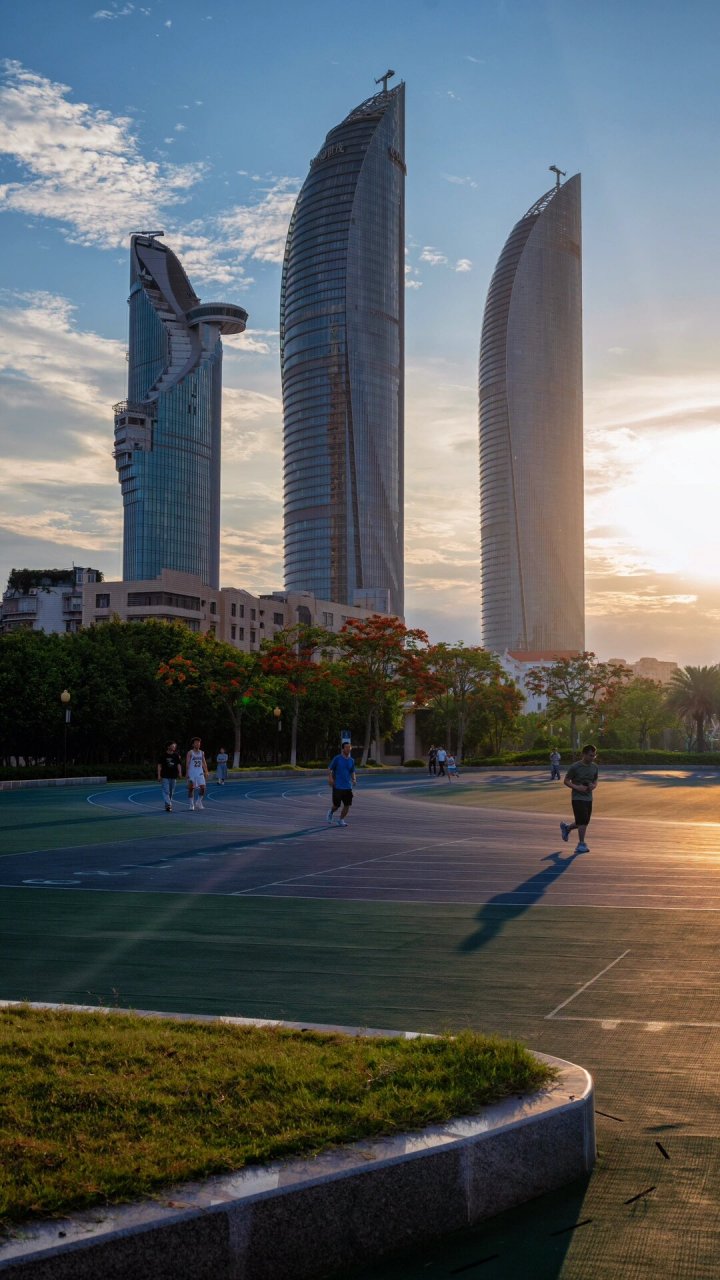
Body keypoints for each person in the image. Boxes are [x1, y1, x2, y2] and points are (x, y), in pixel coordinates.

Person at [560, 744, 598, 853]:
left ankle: (567, 828)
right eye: (590, 755)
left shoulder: (595, 767)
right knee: (583, 821)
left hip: (589, 798)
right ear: (584, 754)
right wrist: (578, 787)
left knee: (584, 821)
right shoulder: (575, 767)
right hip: (577, 798)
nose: (592, 758)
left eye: (594, 756)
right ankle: (581, 844)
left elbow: (595, 780)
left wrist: (593, 786)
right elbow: (566, 781)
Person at [326, 740, 357, 827]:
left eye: (349, 747)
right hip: (337, 786)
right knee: (336, 805)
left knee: (347, 805)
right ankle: (331, 812)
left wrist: (354, 779)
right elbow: (330, 769)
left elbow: (352, 771)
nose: (348, 749)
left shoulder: (351, 760)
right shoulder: (337, 758)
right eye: (346, 747)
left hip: (347, 786)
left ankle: (341, 820)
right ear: (343, 749)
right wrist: (330, 778)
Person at [157, 741, 182, 812]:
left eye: (175, 746)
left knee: (171, 792)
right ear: (168, 746)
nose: (174, 747)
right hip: (165, 776)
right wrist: (159, 775)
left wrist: (180, 772)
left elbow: (179, 764)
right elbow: (159, 765)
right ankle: (169, 804)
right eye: (173, 746)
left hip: (173, 776)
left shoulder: (176, 755)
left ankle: (167, 804)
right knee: (166, 791)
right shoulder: (163, 755)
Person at [186, 737, 209, 811]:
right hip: (192, 772)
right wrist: (187, 773)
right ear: (193, 744)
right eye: (196, 742)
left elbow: (204, 762)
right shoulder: (190, 752)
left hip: (200, 772)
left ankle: (199, 802)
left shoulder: (202, 752)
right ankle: (191, 804)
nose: (198, 744)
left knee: (203, 788)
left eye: (199, 743)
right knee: (191, 788)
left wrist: (206, 771)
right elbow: (187, 763)